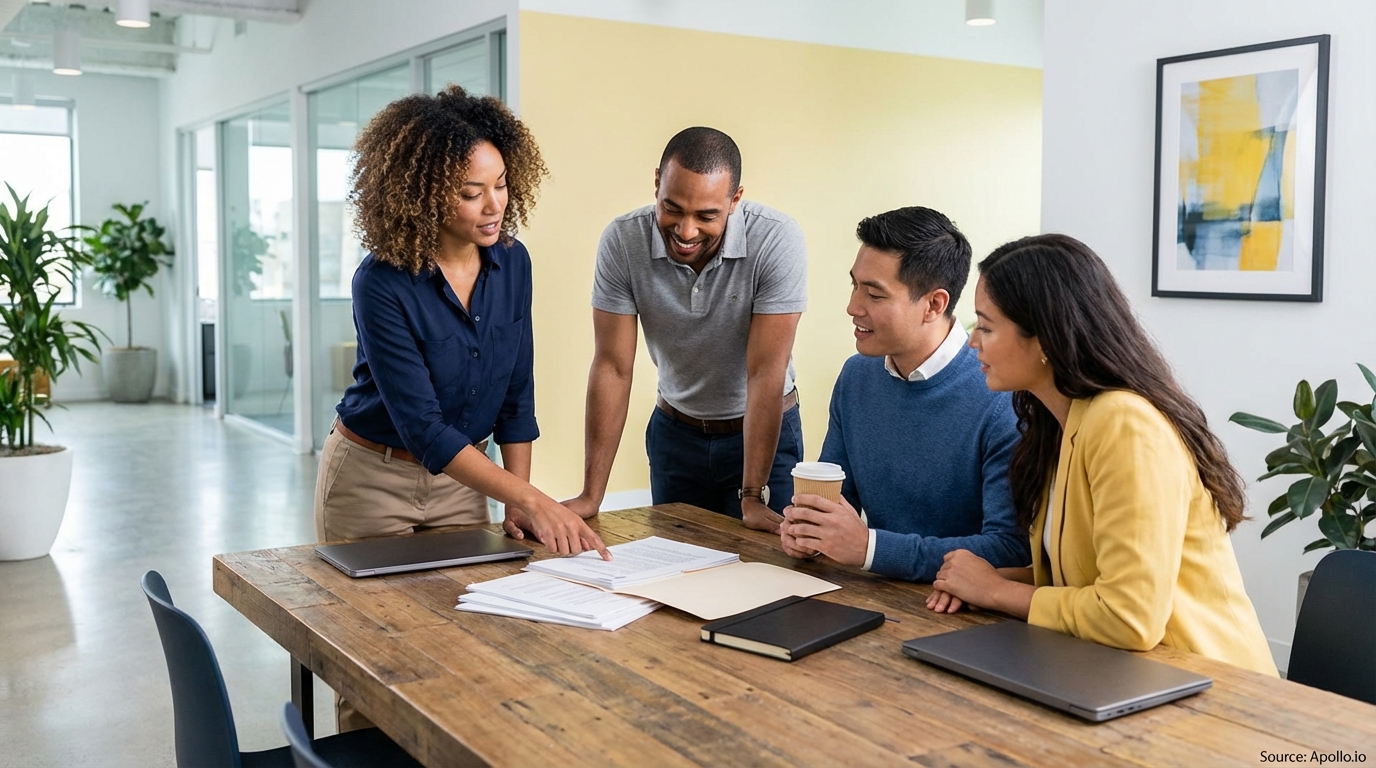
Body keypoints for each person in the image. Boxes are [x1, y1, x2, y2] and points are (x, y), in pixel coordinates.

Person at [928, 233, 1277, 676]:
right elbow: (1085, 582)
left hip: (1209, 687)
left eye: (987, 326)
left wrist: (997, 592)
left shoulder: (1124, 423)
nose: (972, 341)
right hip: (1118, 675)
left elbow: (1127, 617)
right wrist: (985, 581)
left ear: (1046, 339)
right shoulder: (1058, 422)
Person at [315, 85, 609, 558]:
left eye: (502, 184)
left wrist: (516, 496)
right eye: (472, 193)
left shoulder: (514, 263)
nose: (495, 205)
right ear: (423, 196)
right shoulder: (380, 282)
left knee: (459, 619)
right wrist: (532, 500)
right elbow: (423, 426)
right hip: (371, 482)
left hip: (465, 483)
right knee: (372, 626)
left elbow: (516, 392)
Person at [565, 127, 808, 532]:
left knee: (768, 576)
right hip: (675, 436)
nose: (686, 231)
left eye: (706, 216)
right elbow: (612, 367)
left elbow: (766, 372)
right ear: (657, 181)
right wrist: (592, 495)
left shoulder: (776, 239)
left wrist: (752, 495)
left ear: (735, 200)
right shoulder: (623, 240)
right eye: (673, 208)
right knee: (676, 573)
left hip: (763, 433)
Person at [779, 207, 1029, 580]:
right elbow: (835, 500)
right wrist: (808, 530)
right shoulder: (856, 377)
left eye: (875, 295)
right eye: (855, 285)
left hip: (965, 613)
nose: (853, 307)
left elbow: (1008, 547)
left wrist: (870, 549)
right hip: (869, 595)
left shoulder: (1001, 396)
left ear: (934, 304)